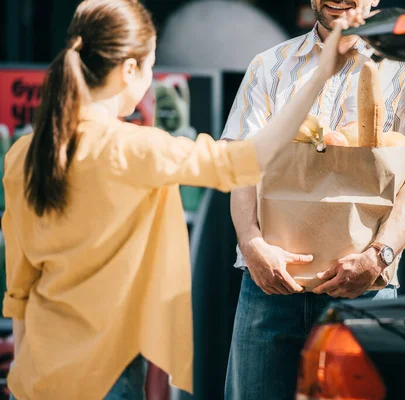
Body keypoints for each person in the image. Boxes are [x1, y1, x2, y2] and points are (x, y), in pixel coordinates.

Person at [1, 0, 362, 399]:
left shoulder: (22, 153)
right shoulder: (135, 150)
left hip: (33, 375)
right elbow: (247, 159)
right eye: (151, 65)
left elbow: (19, 287)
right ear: (129, 70)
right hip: (102, 376)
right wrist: (320, 74)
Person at [222, 1, 405, 399]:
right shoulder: (269, 65)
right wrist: (252, 243)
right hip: (269, 286)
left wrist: (378, 256)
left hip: (366, 289)